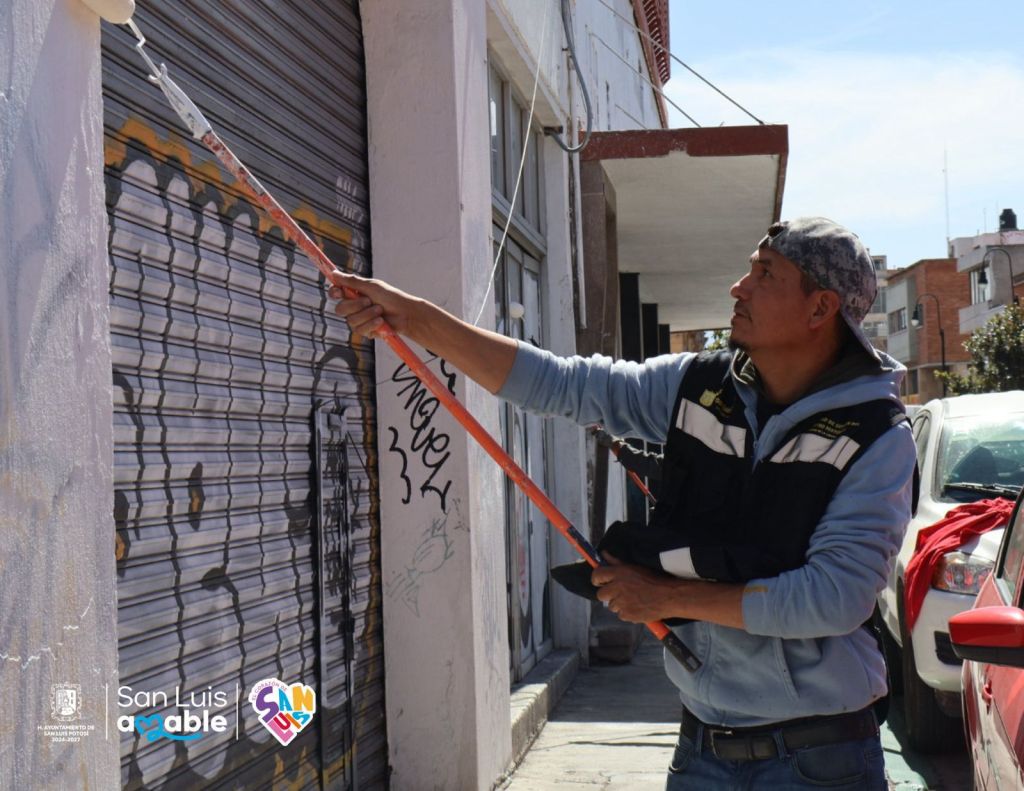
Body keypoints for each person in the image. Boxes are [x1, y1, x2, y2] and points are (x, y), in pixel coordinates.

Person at [327, 217, 916, 790]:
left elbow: (835, 598)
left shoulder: (877, 435)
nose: (739, 287)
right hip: (703, 749)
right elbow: (561, 383)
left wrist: (665, 598)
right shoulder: (697, 386)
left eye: (765, 274)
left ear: (820, 308)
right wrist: (416, 319)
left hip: (820, 759)